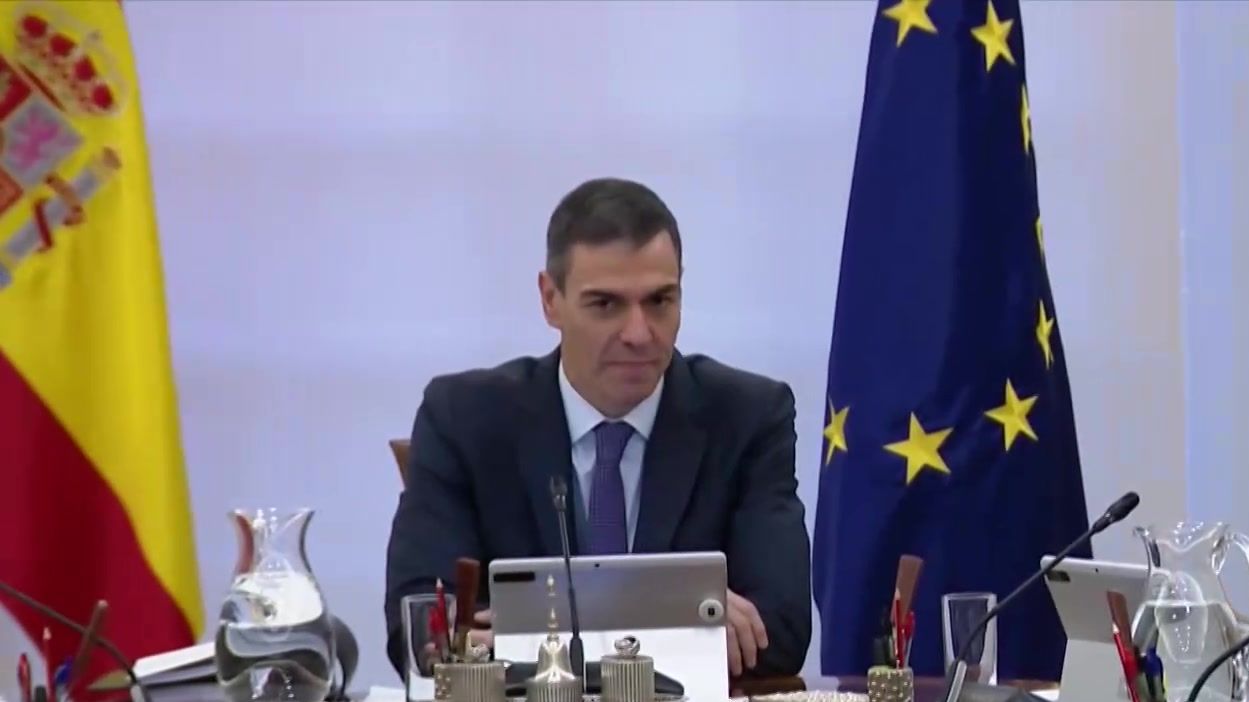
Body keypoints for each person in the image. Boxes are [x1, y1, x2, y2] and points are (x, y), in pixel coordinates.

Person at [384, 177, 811, 679]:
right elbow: (421, 627)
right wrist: (685, 617)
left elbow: (779, 633)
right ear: (550, 299)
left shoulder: (748, 416)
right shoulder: (465, 418)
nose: (638, 333)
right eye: (605, 305)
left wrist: (525, 641)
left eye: (659, 301)